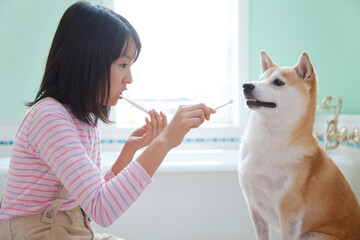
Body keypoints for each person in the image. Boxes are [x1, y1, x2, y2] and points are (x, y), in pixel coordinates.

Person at [0, 1, 215, 239]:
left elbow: (92, 196)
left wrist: (129, 151)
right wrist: (163, 142)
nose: (129, 78)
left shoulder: (84, 121)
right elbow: (103, 208)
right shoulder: (49, 118)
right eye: (123, 64)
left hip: (70, 230)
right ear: (87, 61)